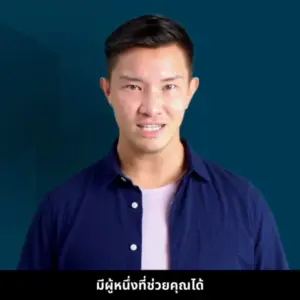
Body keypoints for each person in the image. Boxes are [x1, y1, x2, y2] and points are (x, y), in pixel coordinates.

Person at [17, 14, 288, 270]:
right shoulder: (60, 208)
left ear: (190, 91)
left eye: (169, 86)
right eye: (133, 87)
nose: (151, 107)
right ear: (108, 91)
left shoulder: (244, 204)